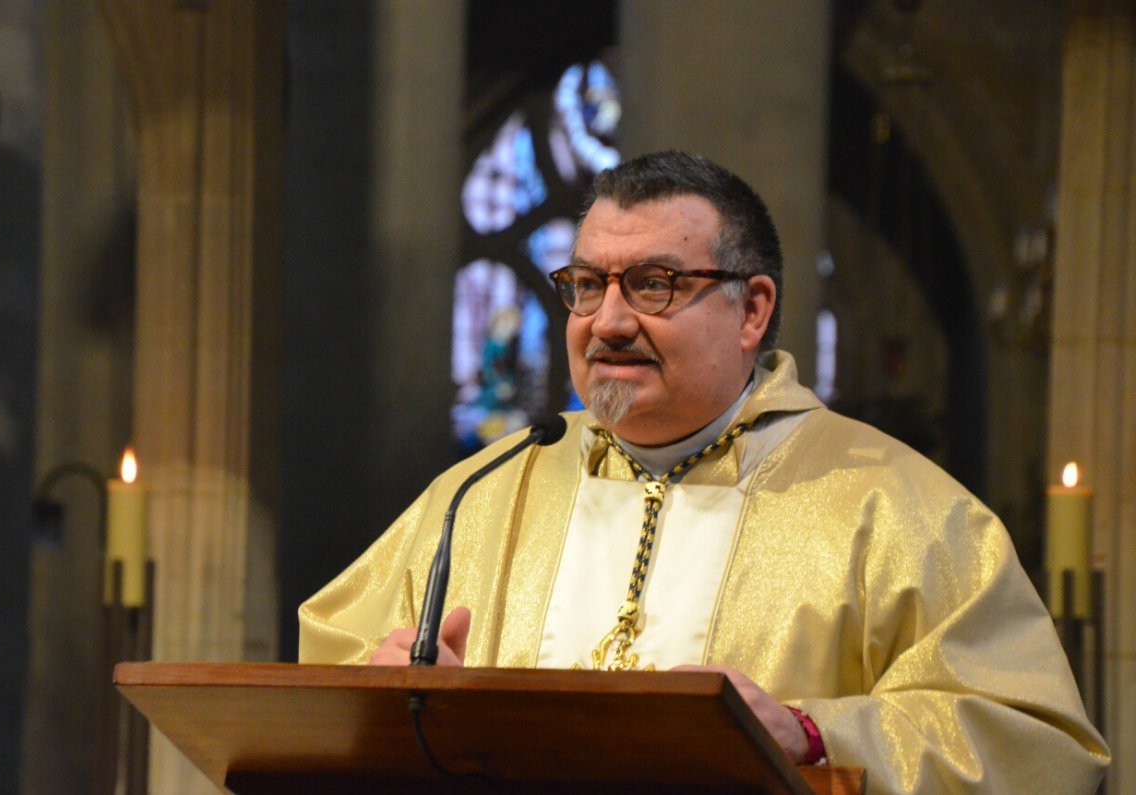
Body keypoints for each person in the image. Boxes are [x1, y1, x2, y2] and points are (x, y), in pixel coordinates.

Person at [299, 151, 1109, 792]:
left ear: (752, 310)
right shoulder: (483, 492)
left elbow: (1036, 739)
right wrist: (397, 706)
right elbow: (324, 672)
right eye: (586, 285)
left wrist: (814, 732)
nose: (608, 321)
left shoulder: (891, 504)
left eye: (654, 285)